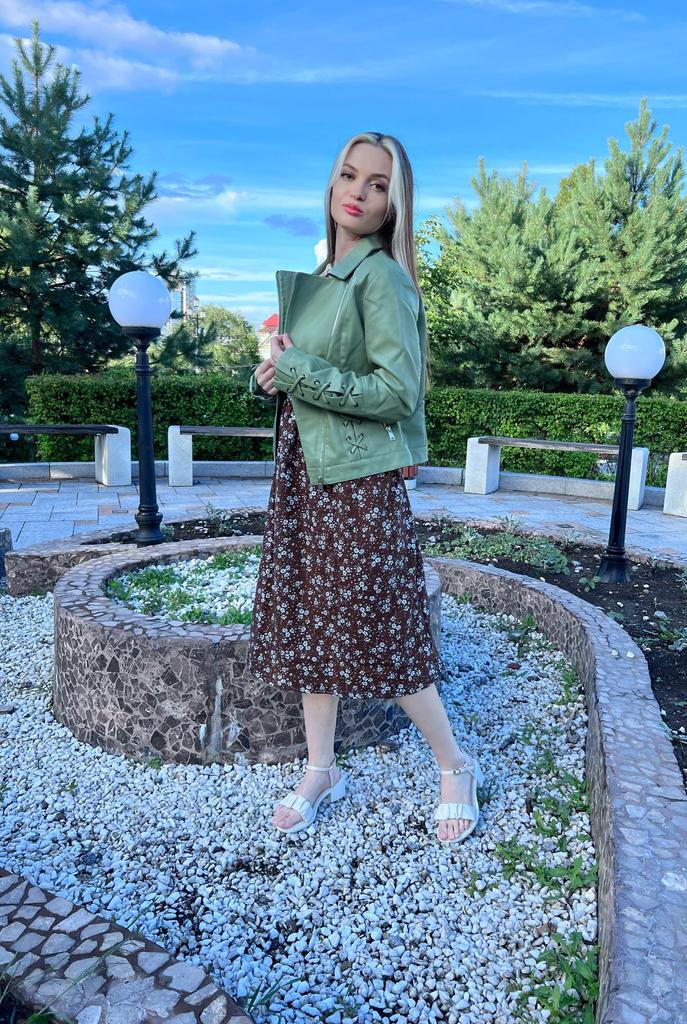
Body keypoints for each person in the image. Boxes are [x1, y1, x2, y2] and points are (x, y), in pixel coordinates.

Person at [248, 131, 483, 845]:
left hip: (355, 486)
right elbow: (312, 376)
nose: (358, 191)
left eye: (378, 184)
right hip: (305, 478)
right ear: (330, 185)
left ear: (393, 204)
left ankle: (455, 766)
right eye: (349, 175)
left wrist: (298, 371)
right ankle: (321, 770)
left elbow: (397, 391)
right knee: (312, 626)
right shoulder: (329, 276)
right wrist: (273, 378)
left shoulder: (382, 278)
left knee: (385, 631)